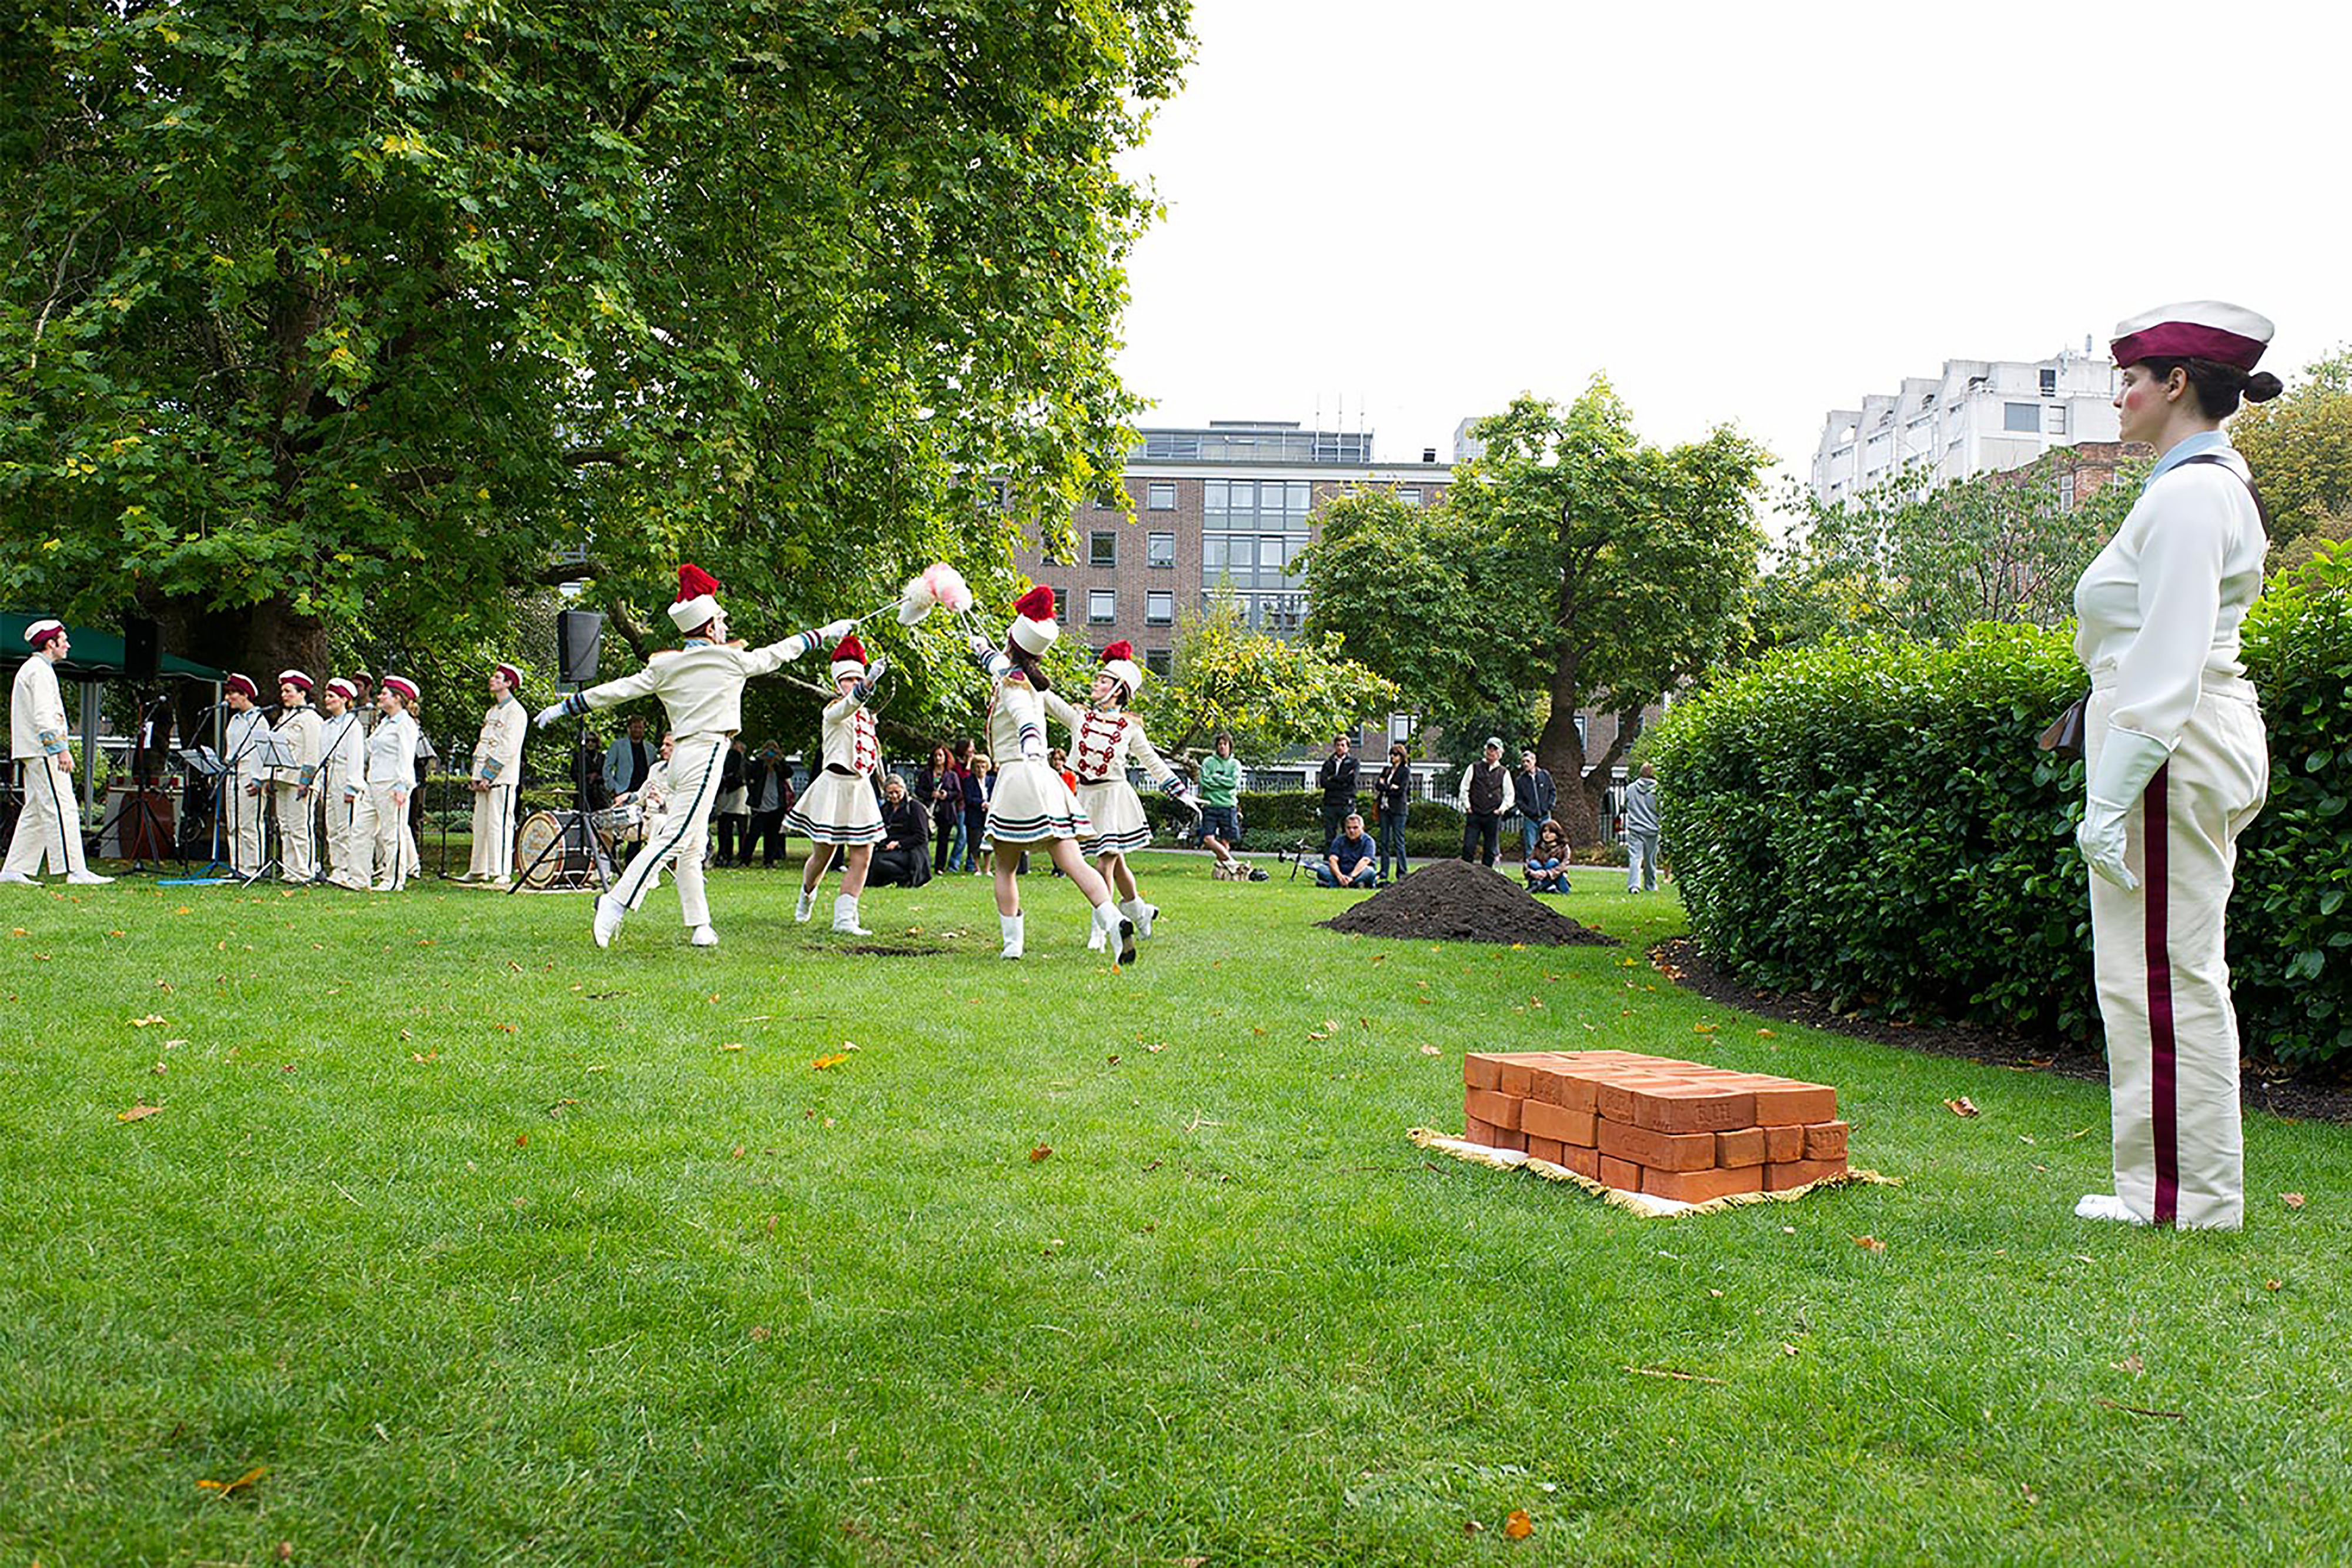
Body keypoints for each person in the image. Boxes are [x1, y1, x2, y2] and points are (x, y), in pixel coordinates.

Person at [2070, 301, 2281, 1232]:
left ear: (2178, 384)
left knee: (2159, 973)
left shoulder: (2194, 493)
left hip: (2170, 744)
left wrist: (2109, 800)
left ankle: (2181, 1198)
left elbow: (2167, 661)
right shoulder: (2194, 486)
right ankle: (2173, 1188)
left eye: (2131, 379)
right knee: (2160, 967)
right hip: (2179, 742)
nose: (2120, 397)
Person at [539, 564, 849, 948]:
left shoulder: (667, 665)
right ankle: (615, 901)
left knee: (694, 841)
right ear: (708, 627)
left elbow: (618, 690)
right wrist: (826, 633)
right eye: (720, 619)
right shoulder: (730, 660)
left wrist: (567, 706)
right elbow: (780, 653)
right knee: (675, 837)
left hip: (683, 756)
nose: (725, 624)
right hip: (705, 753)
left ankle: (700, 923)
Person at [964, 586, 1134, 960]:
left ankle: (1013, 946)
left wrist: (1029, 740)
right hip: (1046, 779)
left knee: (1005, 869)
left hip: (1017, 776)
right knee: (1072, 861)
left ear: (1012, 641)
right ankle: (1112, 919)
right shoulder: (1023, 675)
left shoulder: (1012, 683)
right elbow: (999, 663)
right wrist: (980, 649)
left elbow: (1021, 713)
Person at [1049, 640, 1198, 946]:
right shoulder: (1080, 717)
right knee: (1118, 867)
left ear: (1118, 689)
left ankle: (1101, 930)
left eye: (1103, 680)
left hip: (1114, 799)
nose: (1096, 683)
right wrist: (1022, 670)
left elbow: (1153, 763)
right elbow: (1047, 701)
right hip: (1086, 798)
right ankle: (1141, 912)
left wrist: (1181, 792)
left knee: (1105, 862)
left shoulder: (1130, 728)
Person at [787, 635, 888, 935]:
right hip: (833, 786)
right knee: (824, 854)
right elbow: (850, 704)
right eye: (848, 679)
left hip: (860, 788)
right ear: (836, 684)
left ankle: (845, 919)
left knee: (863, 855)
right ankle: (807, 894)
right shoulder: (832, 712)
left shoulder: (867, 717)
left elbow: (872, 754)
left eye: (858, 677)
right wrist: (867, 684)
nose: (853, 683)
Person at [2, 619, 110, 885]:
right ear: (51, 644)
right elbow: (43, 716)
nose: (69, 644)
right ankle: (75, 870)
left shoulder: (37, 669)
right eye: (64, 640)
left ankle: (13, 869)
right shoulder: (39, 670)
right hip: (43, 750)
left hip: (35, 750)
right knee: (63, 807)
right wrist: (60, 750)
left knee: (37, 809)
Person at [459, 662, 527, 885]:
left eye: (498, 678)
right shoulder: (492, 712)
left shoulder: (516, 712)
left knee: (500, 823)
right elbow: (484, 746)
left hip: (502, 778)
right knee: (481, 824)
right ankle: (478, 869)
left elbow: (508, 746)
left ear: (509, 683)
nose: (493, 680)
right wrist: (477, 776)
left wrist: (489, 775)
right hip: (485, 779)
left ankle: (501, 870)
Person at [366, 676, 423, 891]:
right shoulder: (385, 722)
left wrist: (402, 786)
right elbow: (370, 749)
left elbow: (406, 757)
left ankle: (394, 879)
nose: (380, 697)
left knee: (393, 833)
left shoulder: (405, 723)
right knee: (366, 830)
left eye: (384, 694)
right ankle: (360, 875)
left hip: (392, 784)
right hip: (375, 781)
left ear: (397, 698)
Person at [268, 671, 325, 883]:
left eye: (288, 691)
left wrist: (306, 781)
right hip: (284, 778)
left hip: (299, 780)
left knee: (300, 825)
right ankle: (290, 869)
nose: (284, 695)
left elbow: (313, 752)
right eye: (283, 691)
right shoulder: (286, 717)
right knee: (286, 826)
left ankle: (303, 870)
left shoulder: (310, 718)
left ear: (302, 693)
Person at [219, 673, 268, 876]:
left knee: (249, 822)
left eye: (233, 694)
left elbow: (262, 752)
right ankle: (237, 865)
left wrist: (258, 779)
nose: (228, 698)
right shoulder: (235, 721)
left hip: (250, 772)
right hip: (233, 772)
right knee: (233, 823)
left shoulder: (259, 720)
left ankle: (252, 867)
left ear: (245, 695)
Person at [1196, 731, 1251, 875]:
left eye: (1225, 744)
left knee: (1225, 843)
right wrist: (1222, 782)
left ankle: (1225, 873)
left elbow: (1233, 783)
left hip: (1228, 806)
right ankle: (1233, 863)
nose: (1222, 747)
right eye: (1220, 744)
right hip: (1210, 805)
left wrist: (1216, 779)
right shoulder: (1208, 762)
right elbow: (1204, 782)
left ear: (1230, 746)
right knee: (1208, 839)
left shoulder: (1235, 764)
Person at [1456, 736, 1515, 867]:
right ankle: (1465, 874)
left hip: (1492, 816)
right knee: (1468, 847)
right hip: (1475, 813)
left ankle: (1486, 878)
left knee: (1490, 850)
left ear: (1500, 753)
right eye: (1489, 749)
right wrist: (1467, 806)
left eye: (1495, 749)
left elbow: (1510, 795)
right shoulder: (1474, 767)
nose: (1491, 752)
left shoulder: (1504, 773)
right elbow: (1464, 788)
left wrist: (1501, 809)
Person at [868, 773, 934, 888]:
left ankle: (906, 878)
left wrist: (898, 844)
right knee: (871, 858)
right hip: (892, 850)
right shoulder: (885, 809)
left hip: (913, 852)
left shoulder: (915, 807)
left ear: (904, 790)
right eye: (890, 793)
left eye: (897, 792)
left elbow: (922, 837)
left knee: (879, 861)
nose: (894, 796)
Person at [744, 742, 793, 867]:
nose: (771, 754)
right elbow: (750, 772)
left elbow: (788, 773)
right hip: (760, 805)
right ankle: (745, 859)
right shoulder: (758, 766)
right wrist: (762, 759)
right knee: (753, 834)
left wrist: (780, 759)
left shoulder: (780, 767)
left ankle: (769, 861)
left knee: (772, 836)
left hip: (777, 806)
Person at [1373, 741, 1414, 885]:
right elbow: (1378, 785)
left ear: (1402, 756)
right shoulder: (1387, 770)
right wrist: (1390, 787)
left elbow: (1402, 791)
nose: (1392, 757)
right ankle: (1384, 871)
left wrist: (1386, 787)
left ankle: (1402, 871)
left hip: (1398, 810)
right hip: (1384, 809)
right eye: (1391, 754)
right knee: (1384, 841)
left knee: (1399, 841)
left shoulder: (1405, 771)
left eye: (1395, 755)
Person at [1623, 763, 1663, 892]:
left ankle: (1634, 886)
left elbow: (1626, 804)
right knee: (1651, 860)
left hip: (1635, 829)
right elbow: (1661, 809)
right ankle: (1650, 885)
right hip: (1653, 829)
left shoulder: (1631, 789)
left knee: (1635, 858)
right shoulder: (1658, 790)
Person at [1316, 812, 1379, 890]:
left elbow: (1365, 860)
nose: (1352, 831)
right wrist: (1339, 876)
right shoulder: (1339, 840)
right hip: (1341, 872)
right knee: (1321, 869)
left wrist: (1351, 877)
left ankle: (1335, 884)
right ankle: (1352, 884)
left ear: (1362, 828)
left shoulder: (1369, 841)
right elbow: (1332, 859)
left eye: (1355, 828)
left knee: (1370, 872)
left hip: (1359, 873)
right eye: (1349, 828)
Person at [1317, 733, 1359, 850]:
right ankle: (1329, 859)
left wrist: (1334, 778)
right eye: (1338, 745)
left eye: (1343, 745)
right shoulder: (1328, 763)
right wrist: (1342, 780)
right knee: (1330, 834)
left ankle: (1348, 858)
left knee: (1349, 833)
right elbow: (1324, 782)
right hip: (1331, 803)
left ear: (1347, 747)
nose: (1340, 748)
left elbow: (1352, 780)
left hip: (1346, 802)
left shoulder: (1354, 763)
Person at [711, 737, 750, 866]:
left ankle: (738, 855)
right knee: (727, 826)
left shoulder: (737, 757)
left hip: (736, 793)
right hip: (727, 792)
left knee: (737, 827)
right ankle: (727, 854)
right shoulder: (726, 755)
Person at [1513, 749, 1556, 861]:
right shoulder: (1521, 780)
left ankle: (1547, 869)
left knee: (1547, 844)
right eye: (1523, 762)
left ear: (1534, 761)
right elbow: (1519, 800)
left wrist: (1550, 805)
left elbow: (1552, 791)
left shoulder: (1544, 775)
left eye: (1528, 761)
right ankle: (1531, 870)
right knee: (1530, 847)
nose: (1526, 764)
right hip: (1530, 818)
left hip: (1545, 816)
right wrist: (1527, 811)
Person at [603, 716, 656, 801]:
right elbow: (607, 768)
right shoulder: (618, 745)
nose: (638, 730)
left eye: (640, 728)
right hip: (623, 791)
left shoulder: (651, 748)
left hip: (644, 792)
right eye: (635, 727)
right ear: (629, 729)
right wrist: (613, 788)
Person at [962, 751, 992, 876]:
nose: (980, 769)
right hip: (974, 815)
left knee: (989, 843)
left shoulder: (992, 781)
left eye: (983, 766)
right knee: (974, 842)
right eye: (978, 767)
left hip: (989, 816)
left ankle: (987, 869)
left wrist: (990, 804)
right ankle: (976, 868)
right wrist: (982, 804)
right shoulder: (968, 781)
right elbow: (968, 798)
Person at [1524, 818, 1571, 894]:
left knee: (1553, 862)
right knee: (1533, 863)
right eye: (1545, 831)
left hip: (1557, 877)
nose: (1547, 834)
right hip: (1539, 874)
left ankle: (1540, 886)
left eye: (1551, 832)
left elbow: (1564, 865)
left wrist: (1548, 873)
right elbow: (1527, 864)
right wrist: (1533, 873)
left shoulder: (1564, 847)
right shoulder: (1538, 847)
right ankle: (1547, 887)